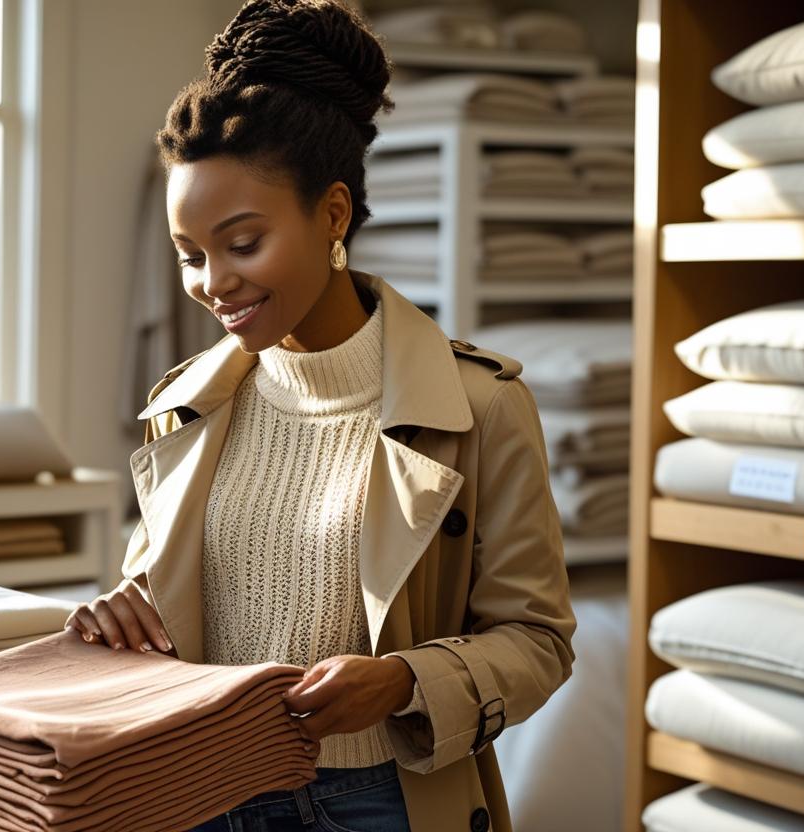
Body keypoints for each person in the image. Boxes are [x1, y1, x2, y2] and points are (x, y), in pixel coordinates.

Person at [66, 1, 575, 829]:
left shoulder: (480, 406)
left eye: (242, 243)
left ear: (332, 215)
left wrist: (406, 680)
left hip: (379, 801)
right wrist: (121, 612)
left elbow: (539, 641)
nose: (212, 283)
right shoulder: (186, 404)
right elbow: (174, 606)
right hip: (202, 790)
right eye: (190, 255)